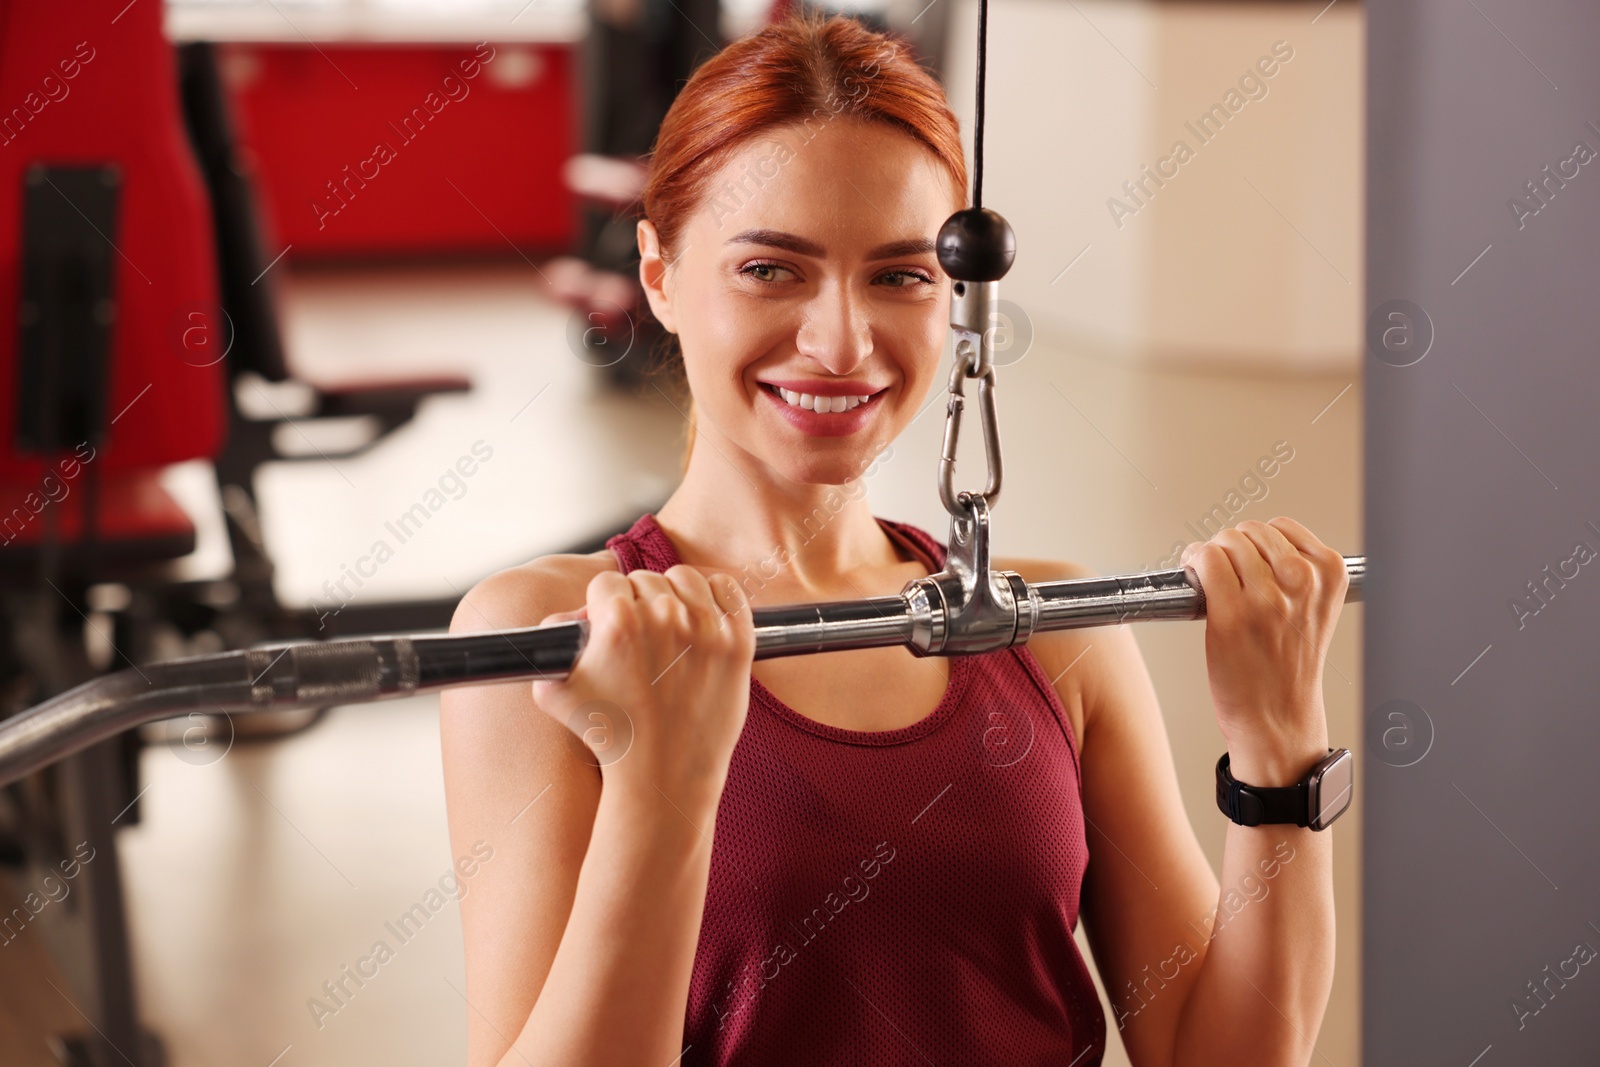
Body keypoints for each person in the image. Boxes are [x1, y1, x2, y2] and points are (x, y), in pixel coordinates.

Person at [440, 12, 1349, 1066]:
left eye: (901, 276)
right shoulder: (544, 641)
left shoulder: (1056, 635)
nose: (840, 342)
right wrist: (663, 784)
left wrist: (1280, 748)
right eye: (770, 270)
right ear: (658, 274)